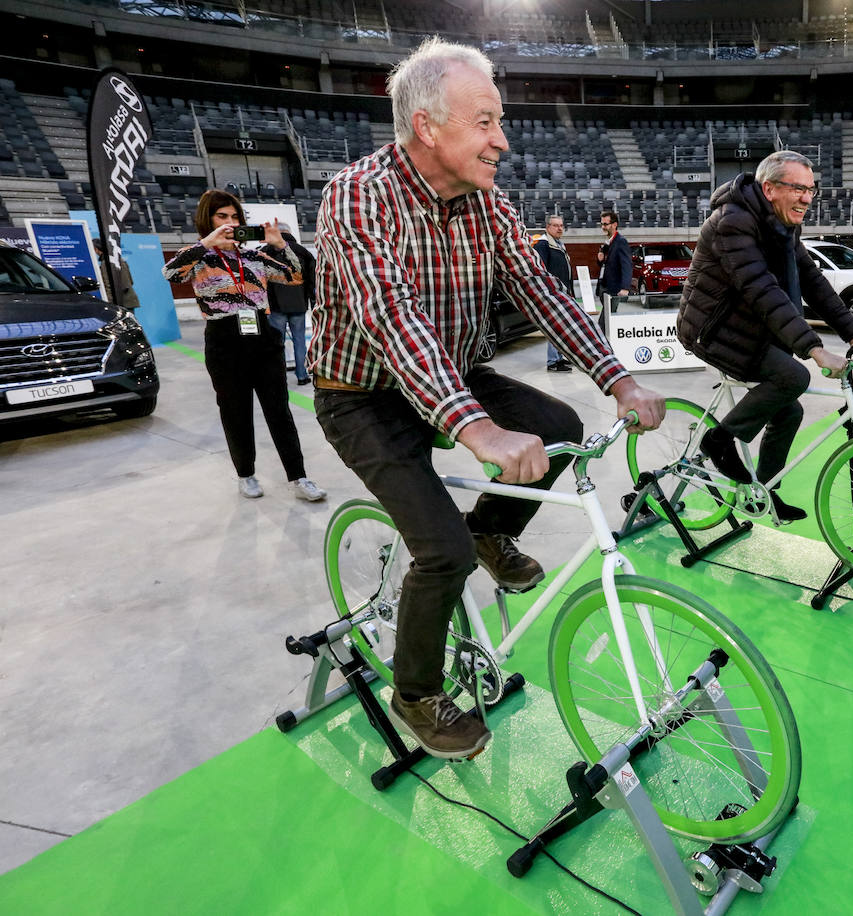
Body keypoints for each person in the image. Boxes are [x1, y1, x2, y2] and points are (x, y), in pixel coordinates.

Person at [308, 38, 664, 761]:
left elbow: (542, 293)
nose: (502, 140)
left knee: (558, 423)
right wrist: (476, 429)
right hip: (363, 392)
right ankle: (416, 693)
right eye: (485, 121)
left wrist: (617, 376)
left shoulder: (489, 205)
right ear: (428, 127)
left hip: (454, 371)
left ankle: (491, 529)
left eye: (499, 122)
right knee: (439, 553)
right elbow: (390, 319)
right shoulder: (356, 196)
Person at [677, 150, 853, 522]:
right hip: (712, 329)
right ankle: (719, 440)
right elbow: (761, 290)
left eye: (811, 189)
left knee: (790, 411)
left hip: (747, 325)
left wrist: (852, 333)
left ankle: (762, 492)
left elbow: (811, 280)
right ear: (769, 189)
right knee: (793, 376)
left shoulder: (782, 224)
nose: (807, 198)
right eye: (798, 188)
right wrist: (815, 349)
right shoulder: (732, 221)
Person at [162, 189, 328, 503]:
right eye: (222, 217)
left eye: (235, 217)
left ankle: (299, 476)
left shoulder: (253, 257)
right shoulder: (199, 257)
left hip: (262, 336)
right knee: (235, 412)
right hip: (223, 341)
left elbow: (295, 276)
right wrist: (207, 243)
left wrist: (281, 244)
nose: (229, 223)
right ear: (207, 221)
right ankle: (246, 474)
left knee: (279, 410)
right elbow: (171, 272)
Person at [265, 231, 316, 385]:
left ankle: (278, 377)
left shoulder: (266, 251)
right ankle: (302, 376)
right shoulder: (303, 252)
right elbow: (312, 280)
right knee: (299, 342)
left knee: (276, 344)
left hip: (276, 307)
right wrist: (312, 301)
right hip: (299, 305)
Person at [533, 214, 573, 372]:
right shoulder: (543, 244)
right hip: (552, 294)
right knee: (554, 328)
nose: (559, 228)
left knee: (561, 328)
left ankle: (559, 357)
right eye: (556, 225)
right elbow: (540, 270)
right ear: (547, 227)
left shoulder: (558, 244)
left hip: (562, 293)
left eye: (561, 225)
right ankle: (552, 362)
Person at [596, 209, 632, 312]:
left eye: (606, 224)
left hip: (613, 288)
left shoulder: (621, 241)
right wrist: (600, 260)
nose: (603, 227)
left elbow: (627, 265)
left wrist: (625, 288)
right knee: (607, 319)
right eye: (602, 224)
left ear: (614, 224)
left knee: (606, 320)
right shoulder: (607, 242)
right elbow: (605, 264)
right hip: (604, 287)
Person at [93, 238, 140, 311]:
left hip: (120, 302)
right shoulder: (119, 259)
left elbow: (108, 285)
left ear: (96, 249)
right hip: (129, 299)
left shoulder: (105, 263)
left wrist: (108, 305)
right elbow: (130, 281)